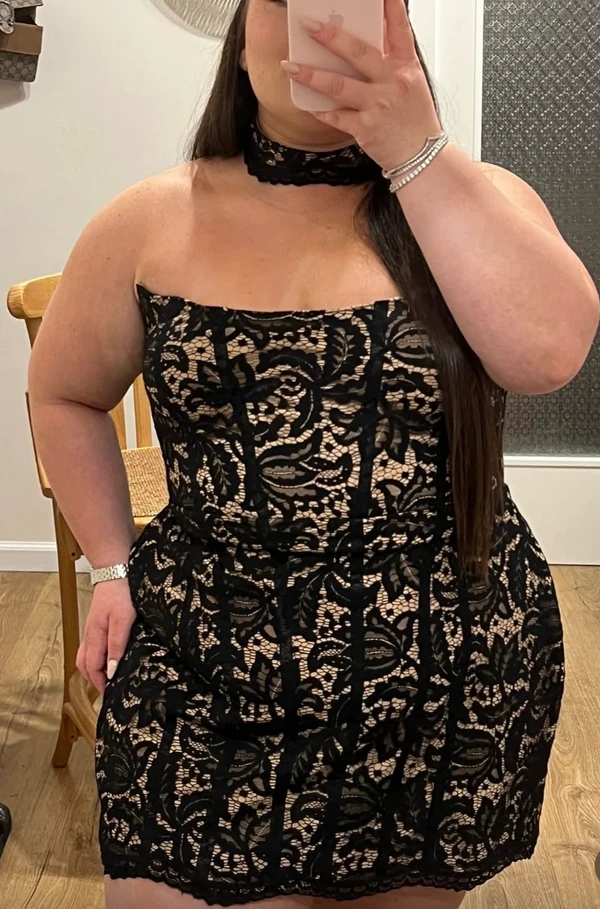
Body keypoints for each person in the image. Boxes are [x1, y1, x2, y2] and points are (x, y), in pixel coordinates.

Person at [27, 0, 599, 907]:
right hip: (206, 663)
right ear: (241, 36)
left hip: (439, 678)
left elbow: (549, 356)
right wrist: (109, 563)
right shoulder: (148, 220)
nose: (321, 23)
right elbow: (63, 393)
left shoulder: (479, 200)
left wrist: (417, 151)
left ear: (398, 27)